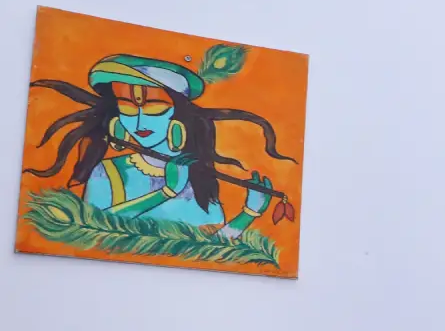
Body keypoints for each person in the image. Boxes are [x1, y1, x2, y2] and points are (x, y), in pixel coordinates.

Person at [25, 53, 295, 239]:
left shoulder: (198, 177)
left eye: (153, 105)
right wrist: (165, 192)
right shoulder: (107, 173)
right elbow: (91, 231)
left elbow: (205, 251)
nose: (139, 119)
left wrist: (248, 213)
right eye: (127, 105)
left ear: (177, 113)